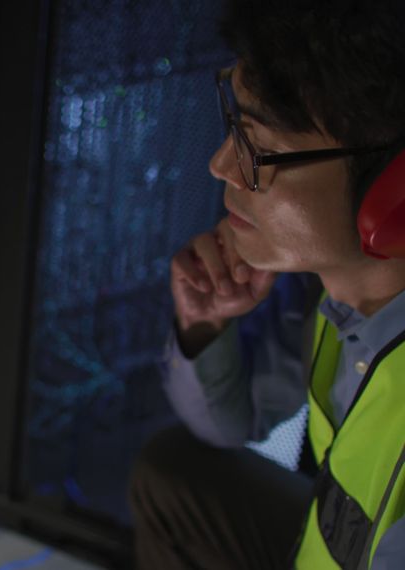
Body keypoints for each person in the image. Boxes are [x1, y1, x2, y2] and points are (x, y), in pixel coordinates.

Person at [128, 1, 405, 568]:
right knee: (174, 473)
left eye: (259, 147)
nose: (221, 165)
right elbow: (231, 421)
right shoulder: (334, 298)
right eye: (235, 129)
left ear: (394, 190)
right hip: (323, 545)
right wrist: (205, 328)